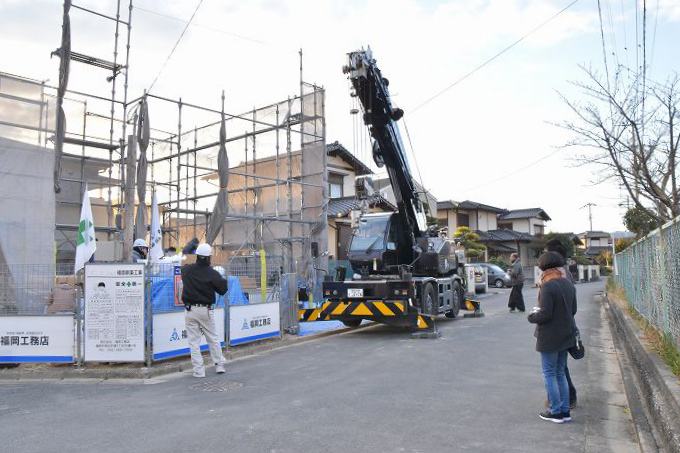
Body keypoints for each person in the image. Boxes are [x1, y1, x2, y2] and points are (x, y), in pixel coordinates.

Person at [528, 251, 577, 424]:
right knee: (560, 372)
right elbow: (573, 310)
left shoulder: (547, 285)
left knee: (549, 373)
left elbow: (545, 315)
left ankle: (555, 412)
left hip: (549, 337)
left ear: (543, 266)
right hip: (566, 335)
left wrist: (532, 316)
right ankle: (565, 411)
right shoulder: (567, 283)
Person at [181, 243, 228, 378]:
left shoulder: (187, 270)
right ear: (208, 258)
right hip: (205, 310)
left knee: (193, 342)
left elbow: (183, 268)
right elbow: (223, 289)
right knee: (212, 338)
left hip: (190, 310)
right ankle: (219, 365)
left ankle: (198, 371)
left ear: (197, 256)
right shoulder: (212, 273)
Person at [545, 238, 578, 408]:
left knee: (556, 369)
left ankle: (564, 400)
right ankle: (563, 399)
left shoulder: (558, 275)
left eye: (546, 252)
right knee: (559, 368)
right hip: (566, 325)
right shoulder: (564, 273)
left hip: (556, 328)